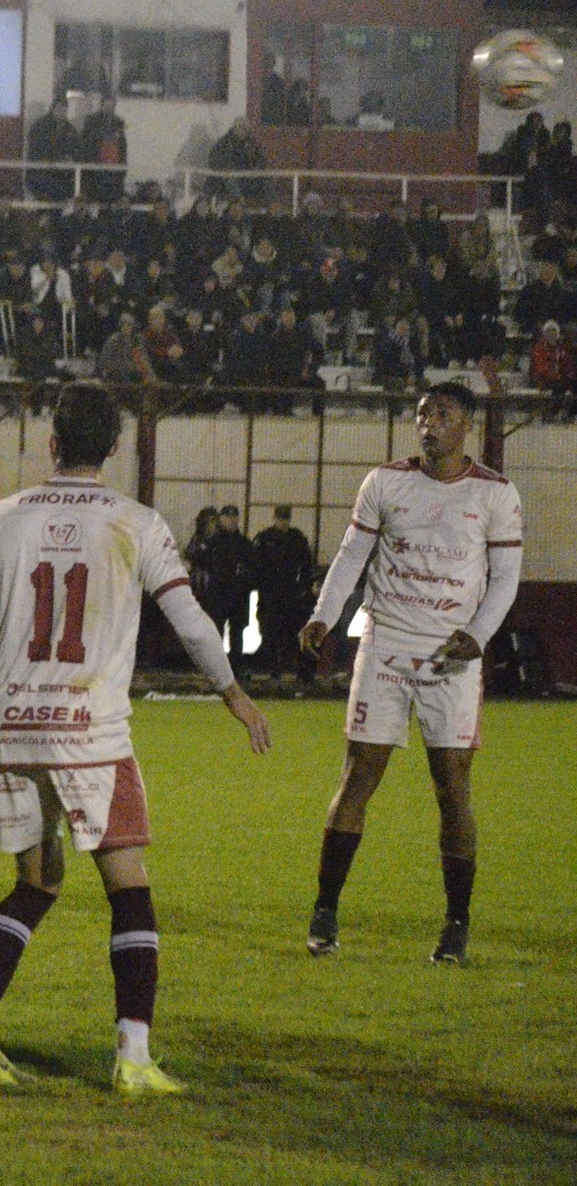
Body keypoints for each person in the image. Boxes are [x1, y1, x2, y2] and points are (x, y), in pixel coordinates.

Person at [0, 382, 271, 1095]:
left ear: (52, 441)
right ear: (115, 448)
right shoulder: (136, 523)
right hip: (90, 729)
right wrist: (233, 693)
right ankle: (133, 1056)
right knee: (129, 889)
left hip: (13, 725)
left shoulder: (0, 519)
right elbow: (190, 623)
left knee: (37, 883)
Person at [299, 383, 523, 965]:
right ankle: (325, 911)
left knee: (452, 787)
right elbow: (352, 555)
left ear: (465, 425)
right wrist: (325, 616)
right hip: (386, 646)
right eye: (423, 414)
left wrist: (477, 636)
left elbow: (503, 580)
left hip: (451, 656)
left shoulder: (495, 494)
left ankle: (456, 922)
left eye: (443, 415)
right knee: (358, 778)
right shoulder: (385, 482)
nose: (429, 424)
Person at [251, 505, 314, 681]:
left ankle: (302, 671)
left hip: (290, 593)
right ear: (274, 519)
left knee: (293, 634)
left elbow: (306, 565)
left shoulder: (297, 538)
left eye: (285, 519)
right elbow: (255, 566)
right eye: (280, 518)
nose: (283, 522)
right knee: (269, 633)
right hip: (269, 594)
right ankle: (274, 670)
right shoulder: (264, 538)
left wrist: (304, 587)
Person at [200, 505, 254, 665]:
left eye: (234, 518)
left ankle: (235, 669)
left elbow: (253, 567)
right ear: (221, 519)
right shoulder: (213, 543)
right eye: (227, 517)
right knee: (217, 631)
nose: (231, 521)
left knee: (237, 632)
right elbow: (201, 561)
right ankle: (217, 667)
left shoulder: (244, 544)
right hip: (219, 593)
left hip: (238, 594)